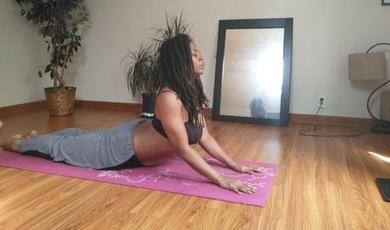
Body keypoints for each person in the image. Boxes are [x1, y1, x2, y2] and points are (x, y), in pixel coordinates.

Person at [4, 34, 261, 194]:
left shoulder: (192, 91)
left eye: (199, 53)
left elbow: (204, 136)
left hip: (132, 132)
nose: (202, 58)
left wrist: (233, 164)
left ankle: (36, 136)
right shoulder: (168, 98)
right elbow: (183, 148)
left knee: (77, 136)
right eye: (195, 55)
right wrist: (221, 180)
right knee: (62, 149)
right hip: (119, 149)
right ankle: (17, 143)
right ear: (181, 61)